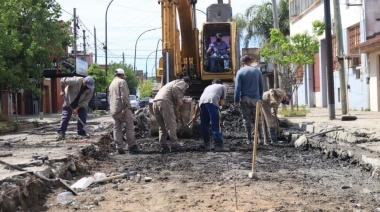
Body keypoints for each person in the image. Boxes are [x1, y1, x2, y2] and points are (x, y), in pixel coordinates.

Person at [152, 76, 191, 153]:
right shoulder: (182, 82)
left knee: (162, 126)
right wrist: (179, 100)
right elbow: (175, 88)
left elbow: (175, 108)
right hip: (165, 102)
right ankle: (175, 146)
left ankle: (163, 145)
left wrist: (180, 118)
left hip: (155, 102)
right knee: (171, 125)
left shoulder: (169, 85)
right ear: (188, 83)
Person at [109, 68, 142, 154]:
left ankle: (119, 147)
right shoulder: (122, 82)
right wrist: (126, 107)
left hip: (113, 109)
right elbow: (124, 95)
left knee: (116, 128)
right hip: (122, 108)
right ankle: (132, 146)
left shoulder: (111, 83)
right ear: (122, 75)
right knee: (129, 126)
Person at [234, 55, 264, 145]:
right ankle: (260, 139)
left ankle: (249, 139)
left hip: (245, 99)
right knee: (257, 119)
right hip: (256, 99)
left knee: (247, 120)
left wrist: (236, 101)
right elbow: (261, 86)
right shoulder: (257, 71)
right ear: (250, 61)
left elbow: (237, 88)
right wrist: (260, 98)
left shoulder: (240, 72)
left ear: (243, 63)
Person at [57, 76, 95, 141]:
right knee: (66, 116)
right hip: (69, 99)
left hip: (80, 102)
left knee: (83, 115)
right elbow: (62, 80)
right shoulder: (76, 80)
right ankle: (61, 133)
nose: (88, 87)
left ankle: (81, 132)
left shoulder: (91, 89)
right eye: (87, 85)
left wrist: (77, 108)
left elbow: (86, 101)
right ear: (84, 82)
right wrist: (62, 91)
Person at [198, 79, 229, 151]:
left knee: (205, 125)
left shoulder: (207, 87)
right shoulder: (223, 87)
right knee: (216, 124)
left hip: (201, 102)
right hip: (212, 101)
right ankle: (219, 145)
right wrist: (219, 107)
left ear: (213, 83)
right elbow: (221, 102)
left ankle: (207, 145)